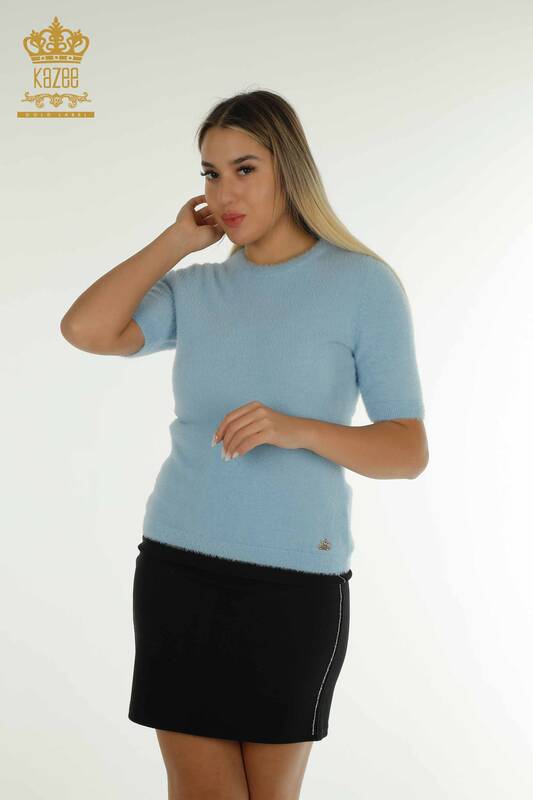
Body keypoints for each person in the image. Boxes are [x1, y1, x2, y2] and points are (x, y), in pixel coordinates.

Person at [60, 89, 429, 800]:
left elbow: (407, 450)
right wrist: (175, 242)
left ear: (289, 168)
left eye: (245, 169)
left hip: (294, 582)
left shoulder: (362, 284)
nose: (224, 193)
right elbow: (86, 330)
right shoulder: (195, 290)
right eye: (210, 173)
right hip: (179, 568)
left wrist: (299, 429)